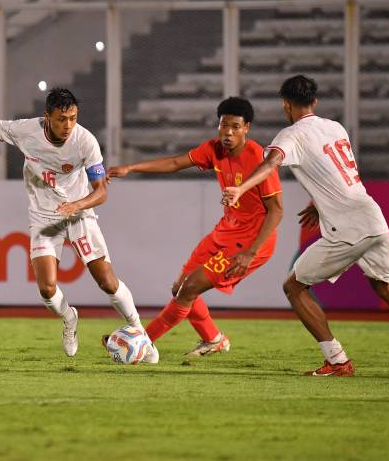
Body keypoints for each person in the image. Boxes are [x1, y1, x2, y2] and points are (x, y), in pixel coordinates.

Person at [222, 75, 389, 376]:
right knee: (385, 286)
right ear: (315, 101)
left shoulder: (291, 135)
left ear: (286, 105)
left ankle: (337, 360)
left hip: (348, 227)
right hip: (372, 216)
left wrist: (241, 188)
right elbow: (340, 170)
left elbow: (270, 164)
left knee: (294, 287)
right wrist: (317, 204)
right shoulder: (335, 127)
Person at [0, 88, 151, 360]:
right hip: (44, 217)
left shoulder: (85, 141)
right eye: (61, 119)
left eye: (73, 118)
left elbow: (101, 192)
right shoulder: (25, 131)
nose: (68, 125)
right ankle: (69, 318)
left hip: (79, 214)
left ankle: (140, 333)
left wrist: (76, 205)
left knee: (106, 281)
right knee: (46, 289)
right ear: (47, 117)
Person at [107, 97, 283, 358]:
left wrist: (251, 252)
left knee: (190, 289)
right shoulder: (214, 149)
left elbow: (277, 210)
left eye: (235, 126)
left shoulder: (258, 157)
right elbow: (176, 163)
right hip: (226, 230)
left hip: (250, 241)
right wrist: (131, 167)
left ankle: (142, 342)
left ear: (247, 127)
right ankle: (213, 339)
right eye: (224, 125)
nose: (228, 132)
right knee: (180, 288)